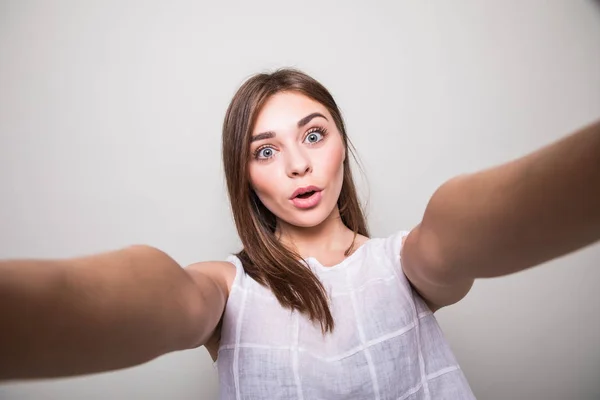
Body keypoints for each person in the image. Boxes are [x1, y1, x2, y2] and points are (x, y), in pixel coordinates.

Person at [0, 69, 598, 399]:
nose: (297, 165)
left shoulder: (408, 261)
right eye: (266, 150)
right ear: (245, 175)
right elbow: (150, 295)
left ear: (342, 145)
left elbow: (461, 229)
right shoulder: (225, 290)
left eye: (313, 135)